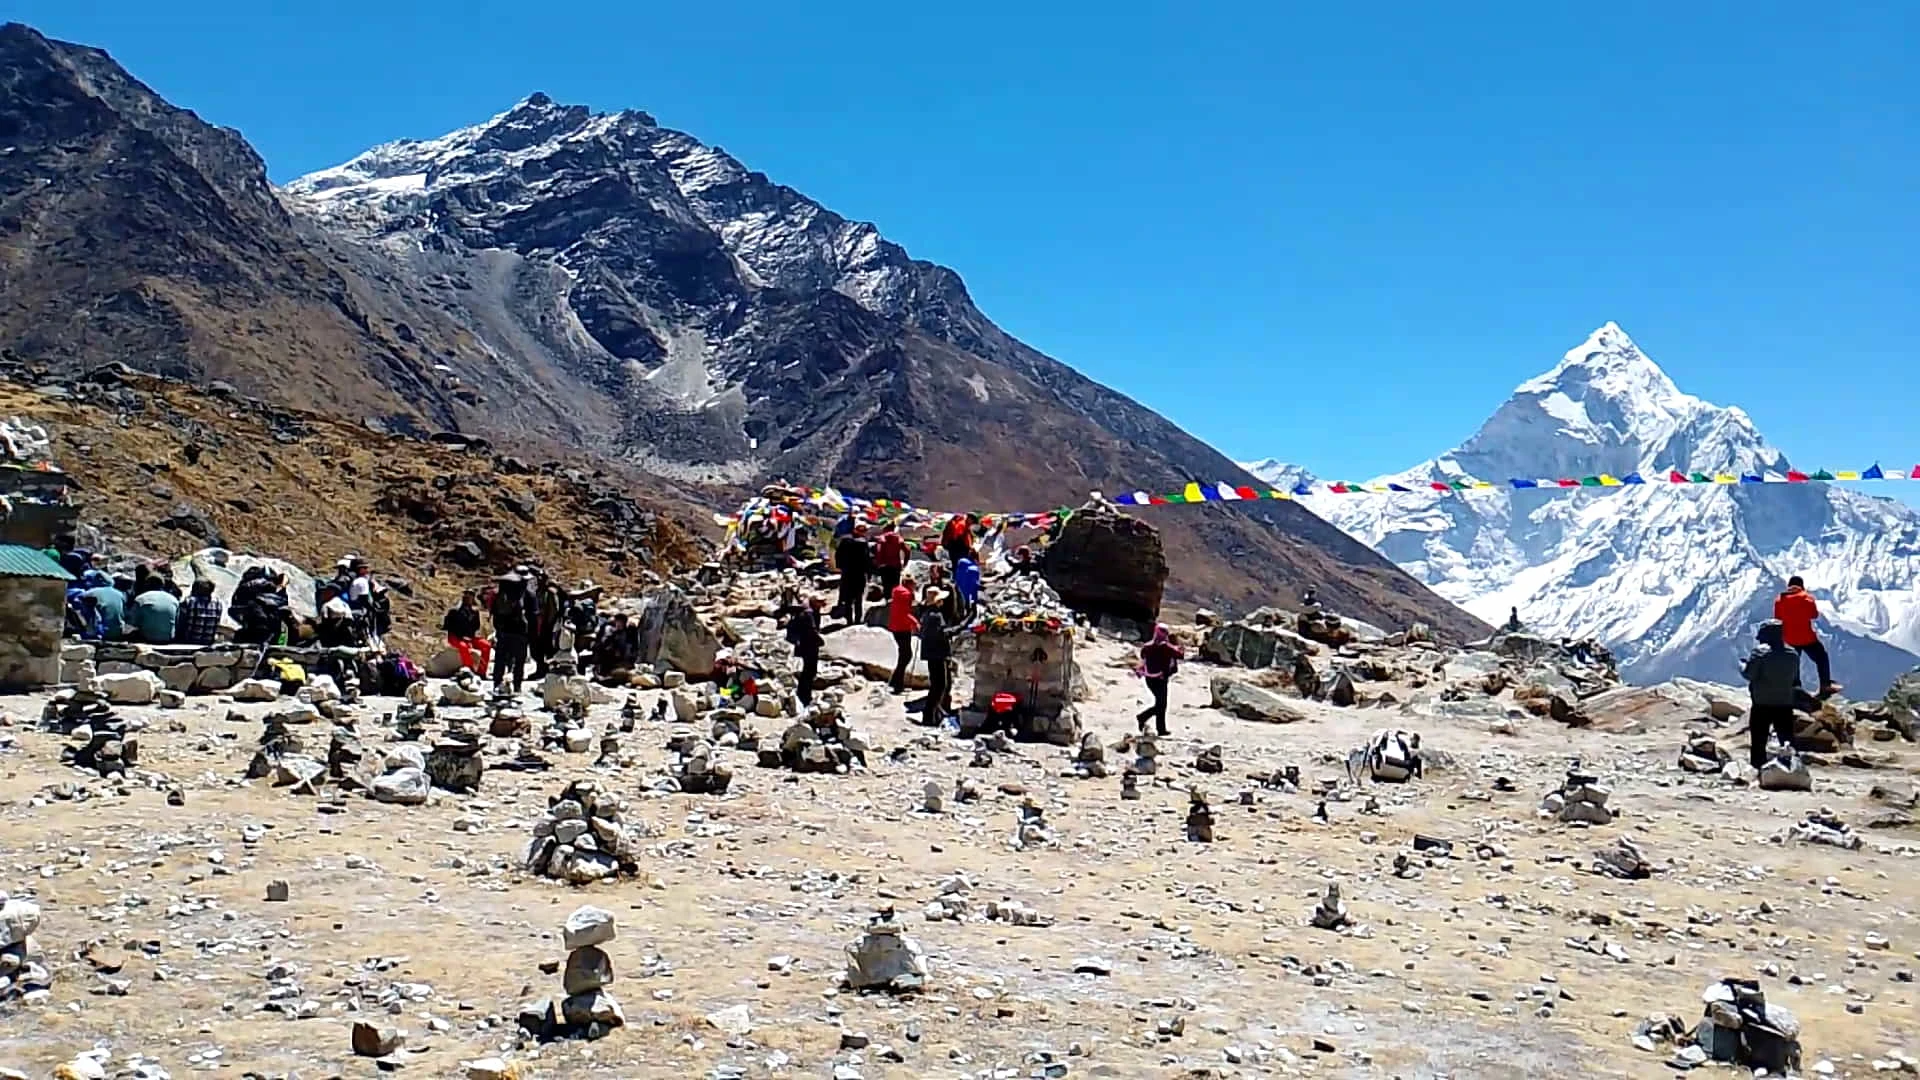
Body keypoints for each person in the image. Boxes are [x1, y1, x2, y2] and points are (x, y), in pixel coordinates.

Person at [1741, 619, 1802, 770]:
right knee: (1787, 738)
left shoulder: (1759, 653)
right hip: (1785, 703)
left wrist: (1742, 666)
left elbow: (1750, 674)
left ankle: (1758, 767)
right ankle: (1793, 767)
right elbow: (1795, 680)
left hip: (1762, 703)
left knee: (1759, 739)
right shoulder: (1793, 654)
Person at [1774, 575, 1839, 697]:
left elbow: (1778, 617)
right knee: (1821, 658)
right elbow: (1814, 614)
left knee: (1793, 663)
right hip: (1806, 637)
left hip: (1789, 638)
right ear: (1801, 586)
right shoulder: (1807, 598)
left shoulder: (1779, 600)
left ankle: (1795, 689)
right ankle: (1825, 685)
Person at [1136, 624, 1184, 736]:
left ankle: (1160, 729)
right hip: (1161, 678)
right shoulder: (1166, 647)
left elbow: (1142, 657)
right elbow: (1180, 655)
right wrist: (1180, 647)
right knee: (1161, 704)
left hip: (1149, 679)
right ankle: (1144, 718)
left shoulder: (1147, 646)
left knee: (1160, 703)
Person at [490, 572, 532, 693]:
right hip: (519, 633)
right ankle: (517, 686)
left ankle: (497, 685)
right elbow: (530, 615)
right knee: (519, 662)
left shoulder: (500, 596)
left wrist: (498, 630)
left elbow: (495, 615)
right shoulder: (522, 595)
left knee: (500, 660)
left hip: (503, 633)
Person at [785, 594, 826, 706]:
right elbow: (811, 630)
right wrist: (820, 640)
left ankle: (803, 693)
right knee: (809, 671)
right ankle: (805, 695)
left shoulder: (810, 611)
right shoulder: (808, 614)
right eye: (820, 602)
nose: (822, 604)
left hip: (805, 644)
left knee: (808, 670)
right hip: (809, 645)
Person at [919, 601, 954, 726]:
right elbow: (944, 633)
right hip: (937, 654)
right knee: (940, 685)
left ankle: (934, 714)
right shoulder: (936, 616)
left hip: (932, 653)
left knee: (936, 685)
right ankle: (929, 716)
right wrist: (964, 625)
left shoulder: (927, 613)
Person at [443, 589, 492, 677]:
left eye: (471, 596)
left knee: (486, 645)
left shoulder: (474, 612)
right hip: (455, 637)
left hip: (469, 637)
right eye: (467, 595)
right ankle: (469, 669)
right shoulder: (454, 611)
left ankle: (482, 671)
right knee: (463, 646)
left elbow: (476, 627)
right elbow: (447, 626)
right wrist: (461, 635)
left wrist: (469, 637)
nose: (468, 598)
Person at [835, 523, 873, 625]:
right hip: (859, 574)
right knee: (858, 598)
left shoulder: (845, 541)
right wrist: (869, 573)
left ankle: (849, 619)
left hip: (847, 573)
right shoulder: (863, 543)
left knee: (848, 597)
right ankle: (857, 619)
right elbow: (867, 560)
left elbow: (838, 555)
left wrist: (840, 567)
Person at [886, 580, 919, 693]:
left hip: (895, 626)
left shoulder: (897, 593)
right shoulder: (906, 595)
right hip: (903, 628)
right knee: (906, 655)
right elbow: (905, 613)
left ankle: (896, 682)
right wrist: (915, 623)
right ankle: (897, 683)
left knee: (904, 655)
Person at [128, 580, 180, 644]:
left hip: (146, 639)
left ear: (147, 585)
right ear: (162, 585)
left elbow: (131, 622)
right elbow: (177, 622)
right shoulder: (174, 600)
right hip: (167, 639)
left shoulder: (140, 599)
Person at [81, 574, 131, 641]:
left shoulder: (90, 593)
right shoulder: (120, 594)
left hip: (102, 633)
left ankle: (91, 632)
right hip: (119, 632)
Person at [176, 579, 223, 647]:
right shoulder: (218, 603)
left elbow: (180, 622)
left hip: (190, 641)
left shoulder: (189, 601)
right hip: (208, 642)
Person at [873, 523, 908, 596]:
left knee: (886, 586)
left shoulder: (882, 537)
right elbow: (907, 551)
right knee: (895, 585)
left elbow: (879, 551)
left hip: (885, 566)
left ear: (886, 529)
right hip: (896, 565)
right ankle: (894, 600)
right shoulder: (898, 538)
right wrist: (905, 563)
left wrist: (878, 563)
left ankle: (887, 599)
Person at [953, 555, 981, 622]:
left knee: (963, 608)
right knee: (972, 609)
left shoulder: (960, 566)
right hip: (970, 593)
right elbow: (975, 584)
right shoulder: (975, 569)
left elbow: (956, 580)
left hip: (960, 592)